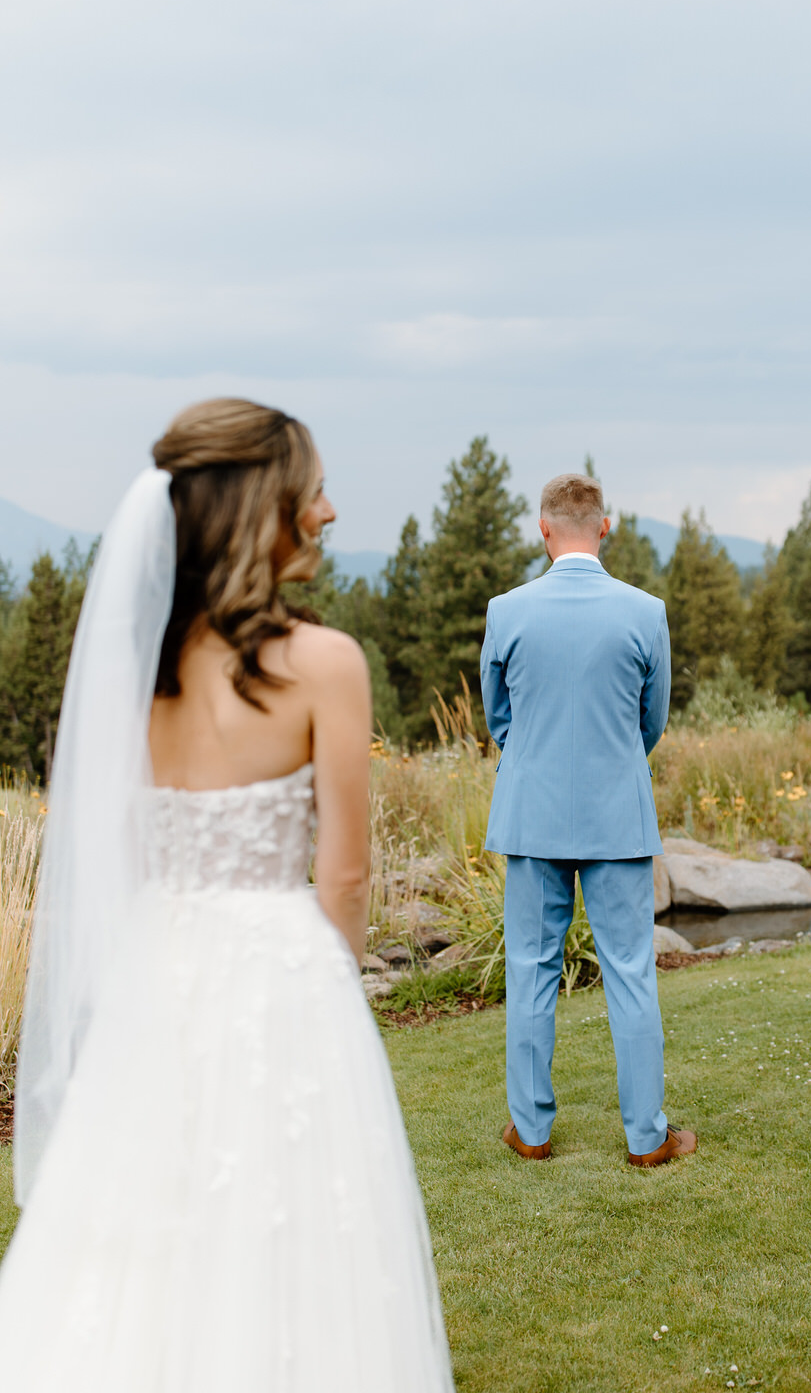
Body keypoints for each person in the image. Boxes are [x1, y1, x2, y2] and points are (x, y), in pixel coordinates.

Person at [0, 399, 453, 1391]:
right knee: (298, 1239)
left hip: (152, 979)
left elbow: (113, 853)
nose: (330, 512)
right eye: (315, 490)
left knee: (141, 1232)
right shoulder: (324, 664)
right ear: (265, 509)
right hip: (286, 977)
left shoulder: (133, 672)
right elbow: (343, 872)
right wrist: (327, 1003)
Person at [480, 472, 697, 1168]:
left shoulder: (506, 612)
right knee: (631, 973)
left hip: (532, 815)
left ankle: (532, 1131)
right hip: (615, 818)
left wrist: (540, 761)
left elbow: (499, 719)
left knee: (531, 969)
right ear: (605, 527)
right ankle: (646, 1139)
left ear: (544, 530)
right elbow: (652, 719)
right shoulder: (646, 610)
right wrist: (609, 763)